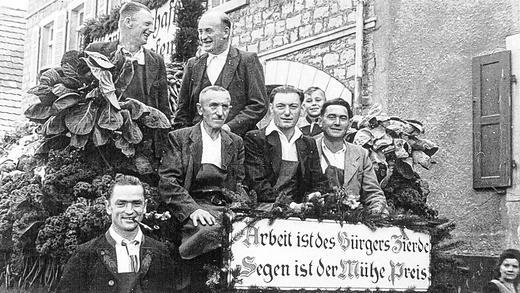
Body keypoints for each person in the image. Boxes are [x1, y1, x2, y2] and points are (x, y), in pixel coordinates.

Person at [159, 86, 245, 260]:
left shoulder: (235, 142)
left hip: (225, 208)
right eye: (213, 106)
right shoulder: (180, 138)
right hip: (194, 206)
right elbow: (168, 182)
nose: (220, 113)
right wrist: (193, 210)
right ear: (200, 109)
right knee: (210, 233)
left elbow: (240, 183)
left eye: (225, 107)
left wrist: (241, 208)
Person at [56, 175, 175, 293]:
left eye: (136, 203)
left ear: (144, 207)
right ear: (108, 207)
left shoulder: (161, 252)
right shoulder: (85, 255)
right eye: (121, 204)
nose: (129, 211)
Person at [85, 2, 172, 155]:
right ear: (128, 22)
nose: (151, 30)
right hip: (104, 147)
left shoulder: (156, 61)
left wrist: (163, 152)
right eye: (147, 24)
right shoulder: (96, 51)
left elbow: (163, 109)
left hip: (144, 147)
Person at [174, 10, 268, 137]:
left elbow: (258, 105)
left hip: (237, 141)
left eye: (209, 31)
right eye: (200, 32)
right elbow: (182, 110)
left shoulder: (247, 60)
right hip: (198, 144)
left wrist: (229, 127)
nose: (203, 37)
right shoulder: (193, 65)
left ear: (226, 32)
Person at [244, 85, 329, 211]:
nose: (287, 112)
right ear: (271, 108)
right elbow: (258, 184)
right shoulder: (256, 139)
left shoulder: (308, 143)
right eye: (281, 106)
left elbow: (318, 181)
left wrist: (315, 195)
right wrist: (291, 206)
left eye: (293, 107)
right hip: (265, 209)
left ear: (301, 109)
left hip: (301, 211)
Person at [316, 98, 388, 215]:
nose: (337, 123)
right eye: (331, 117)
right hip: (313, 221)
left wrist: (376, 211)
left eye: (343, 118)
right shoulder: (309, 149)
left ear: (349, 124)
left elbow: (373, 193)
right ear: (320, 121)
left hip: (351, 222)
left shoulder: (360, 154)